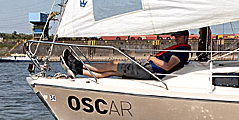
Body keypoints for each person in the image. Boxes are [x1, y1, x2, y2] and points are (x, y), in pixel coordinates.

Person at [62, 30, 192, 79]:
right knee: (111, 72)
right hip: (150, 70)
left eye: (179, 36)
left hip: (150, 70)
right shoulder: (181, 49)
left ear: (186, 37)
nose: (176, 38)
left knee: (112, 64)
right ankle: (78, 70)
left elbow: (167, 66)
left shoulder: (182, 51)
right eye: (175, 36)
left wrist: (152, 58)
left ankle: (78, 64)